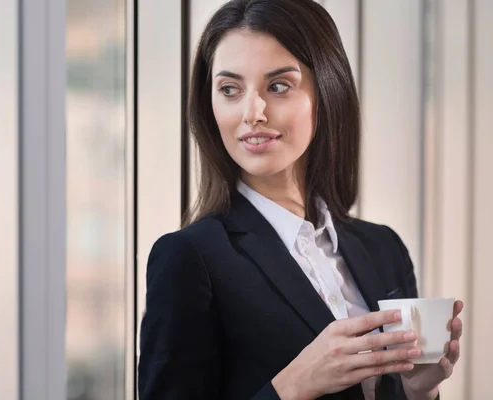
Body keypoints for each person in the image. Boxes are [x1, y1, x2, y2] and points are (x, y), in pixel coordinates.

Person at [137, 0, 464, 399]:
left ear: (327, 91)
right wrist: (293, 385)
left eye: (278, 86)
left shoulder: (383, 248)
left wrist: (420, 392)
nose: (252, 112)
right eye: (229, 89)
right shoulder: (188, 258)